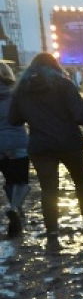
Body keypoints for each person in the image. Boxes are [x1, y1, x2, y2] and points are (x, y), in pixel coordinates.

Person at [9, 53, 83, 241]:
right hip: (70, 142)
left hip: (40, 145)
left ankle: (52, 230)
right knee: (81, 183)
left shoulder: (22, 89)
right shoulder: (63, 84)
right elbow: (80, 113)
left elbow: (14, 119)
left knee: (49, 189)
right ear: (54, 66)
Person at [0, 62, 29, 238]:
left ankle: (17, 211)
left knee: (9, 180)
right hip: (17, 141)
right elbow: (24, 115)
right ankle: (14, 208)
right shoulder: (17, 93)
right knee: (22, 181)